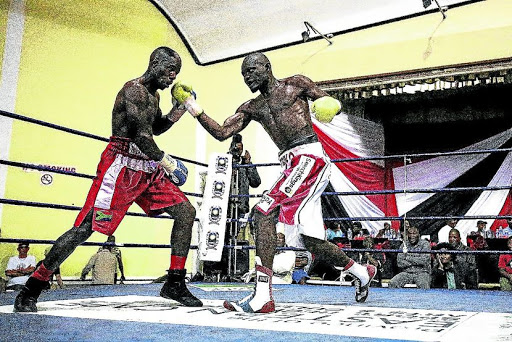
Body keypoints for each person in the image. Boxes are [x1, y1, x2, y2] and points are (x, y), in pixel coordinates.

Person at [172, 52, 376, 313]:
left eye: (252, 70)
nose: (248, 77)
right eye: (244, 74)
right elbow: (222, 132)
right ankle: (361, 272)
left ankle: (263, 295)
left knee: (263, 211)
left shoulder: (296, 84)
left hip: (310, 157)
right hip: (291, 164)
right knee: (311, 241)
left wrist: (328, 106)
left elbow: (328, 100)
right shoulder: (252, 107)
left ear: (267, 67)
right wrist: (190, 104)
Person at [14, 47, 202, 312]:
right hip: (120, 171)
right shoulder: (133, 90)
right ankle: (33, 285)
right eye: (170, 70)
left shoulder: (154, 95)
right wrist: (169, 164)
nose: (173, 77)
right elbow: (141, 137)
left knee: (186, 211)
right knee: (87, 228)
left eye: (176, 73)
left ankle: (174, 281)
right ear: (156, 63)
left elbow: (154, 128)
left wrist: (178, 110)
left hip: (146, 169)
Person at [203, 133, 261, 280]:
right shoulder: (223, 162)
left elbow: (256, 182)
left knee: (234, 239)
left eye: (240, 149)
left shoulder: (245, 164)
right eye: (235, 148)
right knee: (219, 238)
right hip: (223, 207)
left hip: (240, 208)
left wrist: (249, 163)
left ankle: (233, 271)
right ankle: (216, 272)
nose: (238, 151)